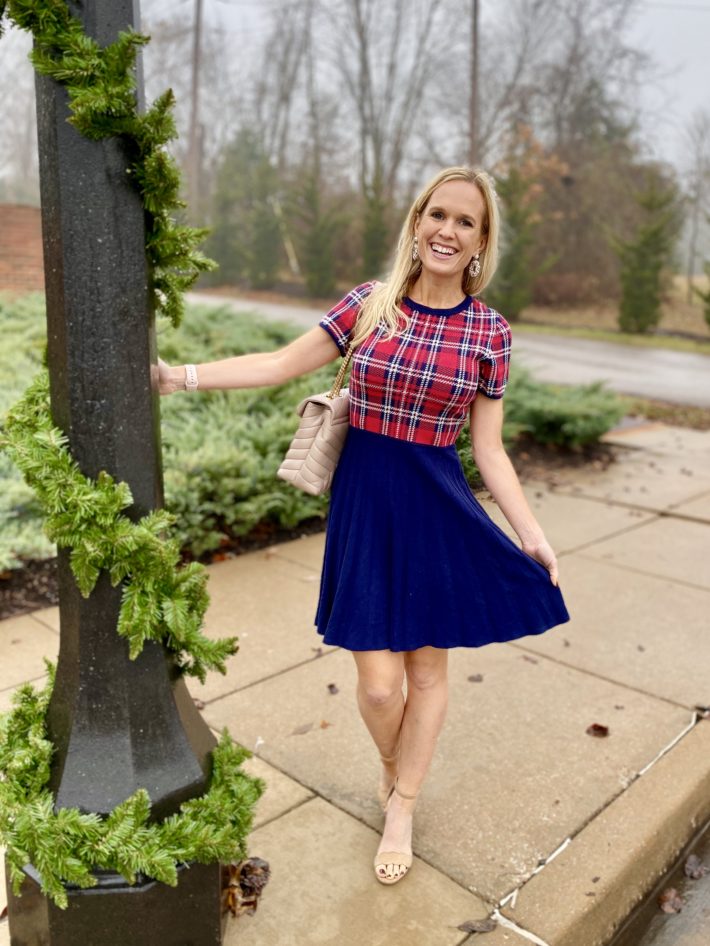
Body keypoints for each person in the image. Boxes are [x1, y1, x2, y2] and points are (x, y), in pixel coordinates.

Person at [158, 165, 569, 886]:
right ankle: (393, 762)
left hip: (438, 507)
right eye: (437, 214)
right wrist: (178, 377)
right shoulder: (370, 306)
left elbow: (489, 448)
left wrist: (529, 530)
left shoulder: (489, 333)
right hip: (365, 503)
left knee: (427, 670)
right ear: (417, 222)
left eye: (465, 222)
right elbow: (281, 364)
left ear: (481, 241)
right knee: (381, 689)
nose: (447, 229)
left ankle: (402, 804)